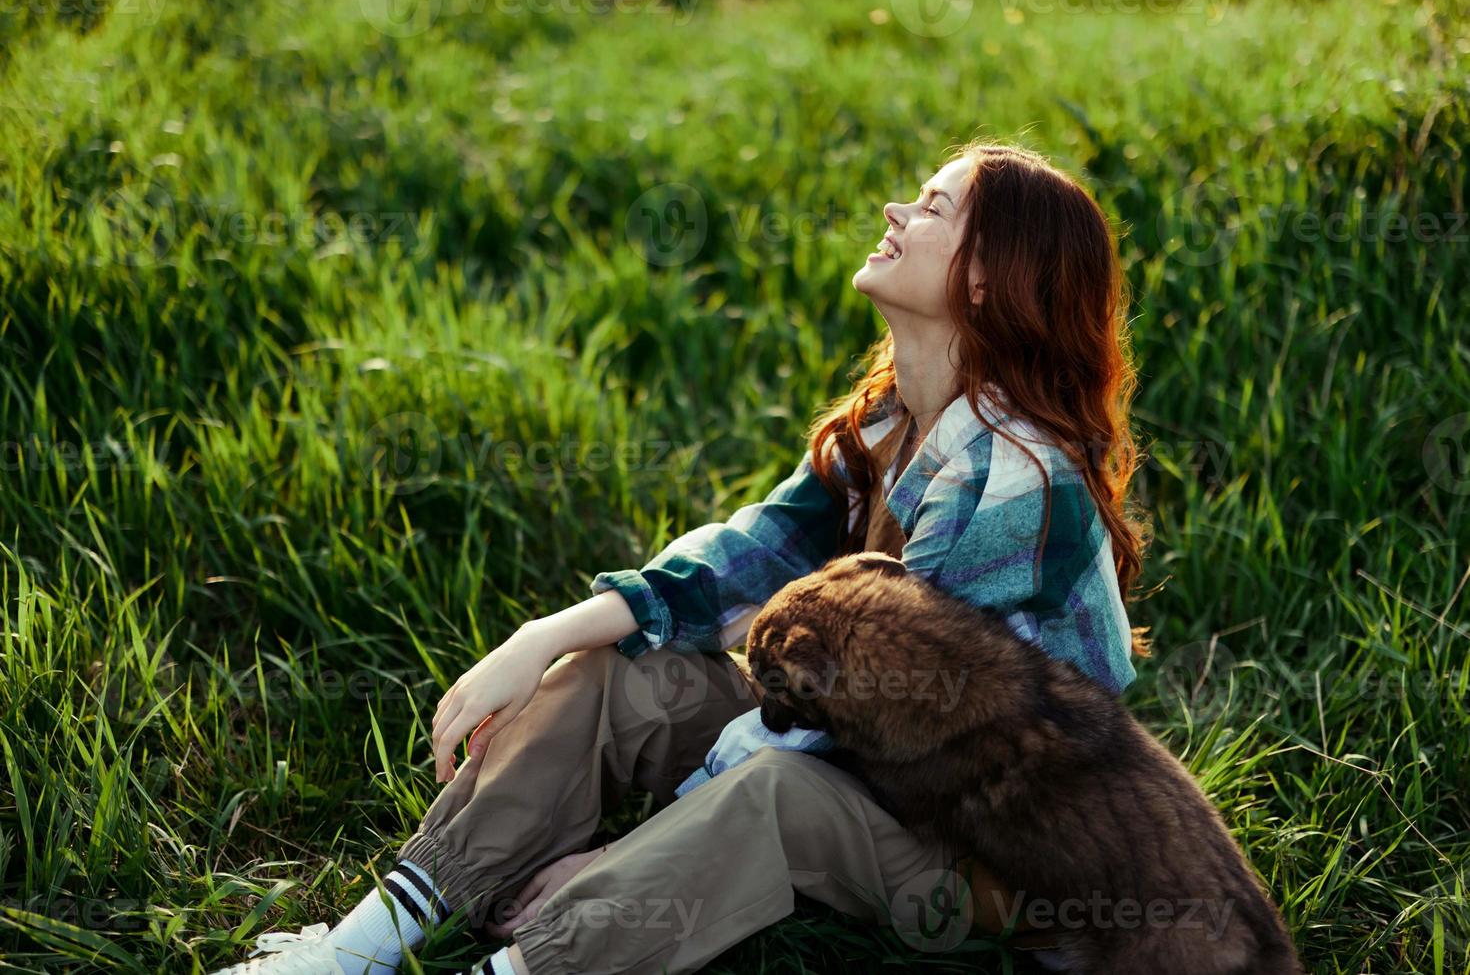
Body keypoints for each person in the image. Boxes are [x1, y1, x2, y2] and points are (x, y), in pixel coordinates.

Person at [208, 139, 1152, 975]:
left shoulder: (1021, 480)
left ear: (987, 278)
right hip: (865, 760)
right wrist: (544, 638)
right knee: (622, 673)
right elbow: (751, 554)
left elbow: (900, 714)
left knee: (769, 790)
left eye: (934, 207)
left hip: (971, 853)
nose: (896, 213)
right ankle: (356, 952)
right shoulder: (893, 420)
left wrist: (630, 856)